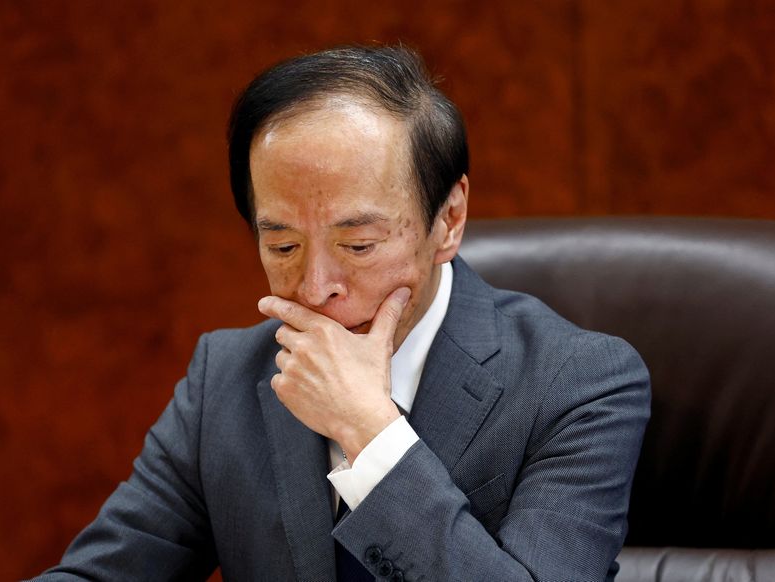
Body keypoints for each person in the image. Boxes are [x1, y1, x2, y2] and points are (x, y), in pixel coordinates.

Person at [35, 45, 650, 581]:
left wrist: (370, 434)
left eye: (358, 245)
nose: (315, 287)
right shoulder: (222, 380)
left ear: (449, 220)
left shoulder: (580, 384)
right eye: (282, 246)